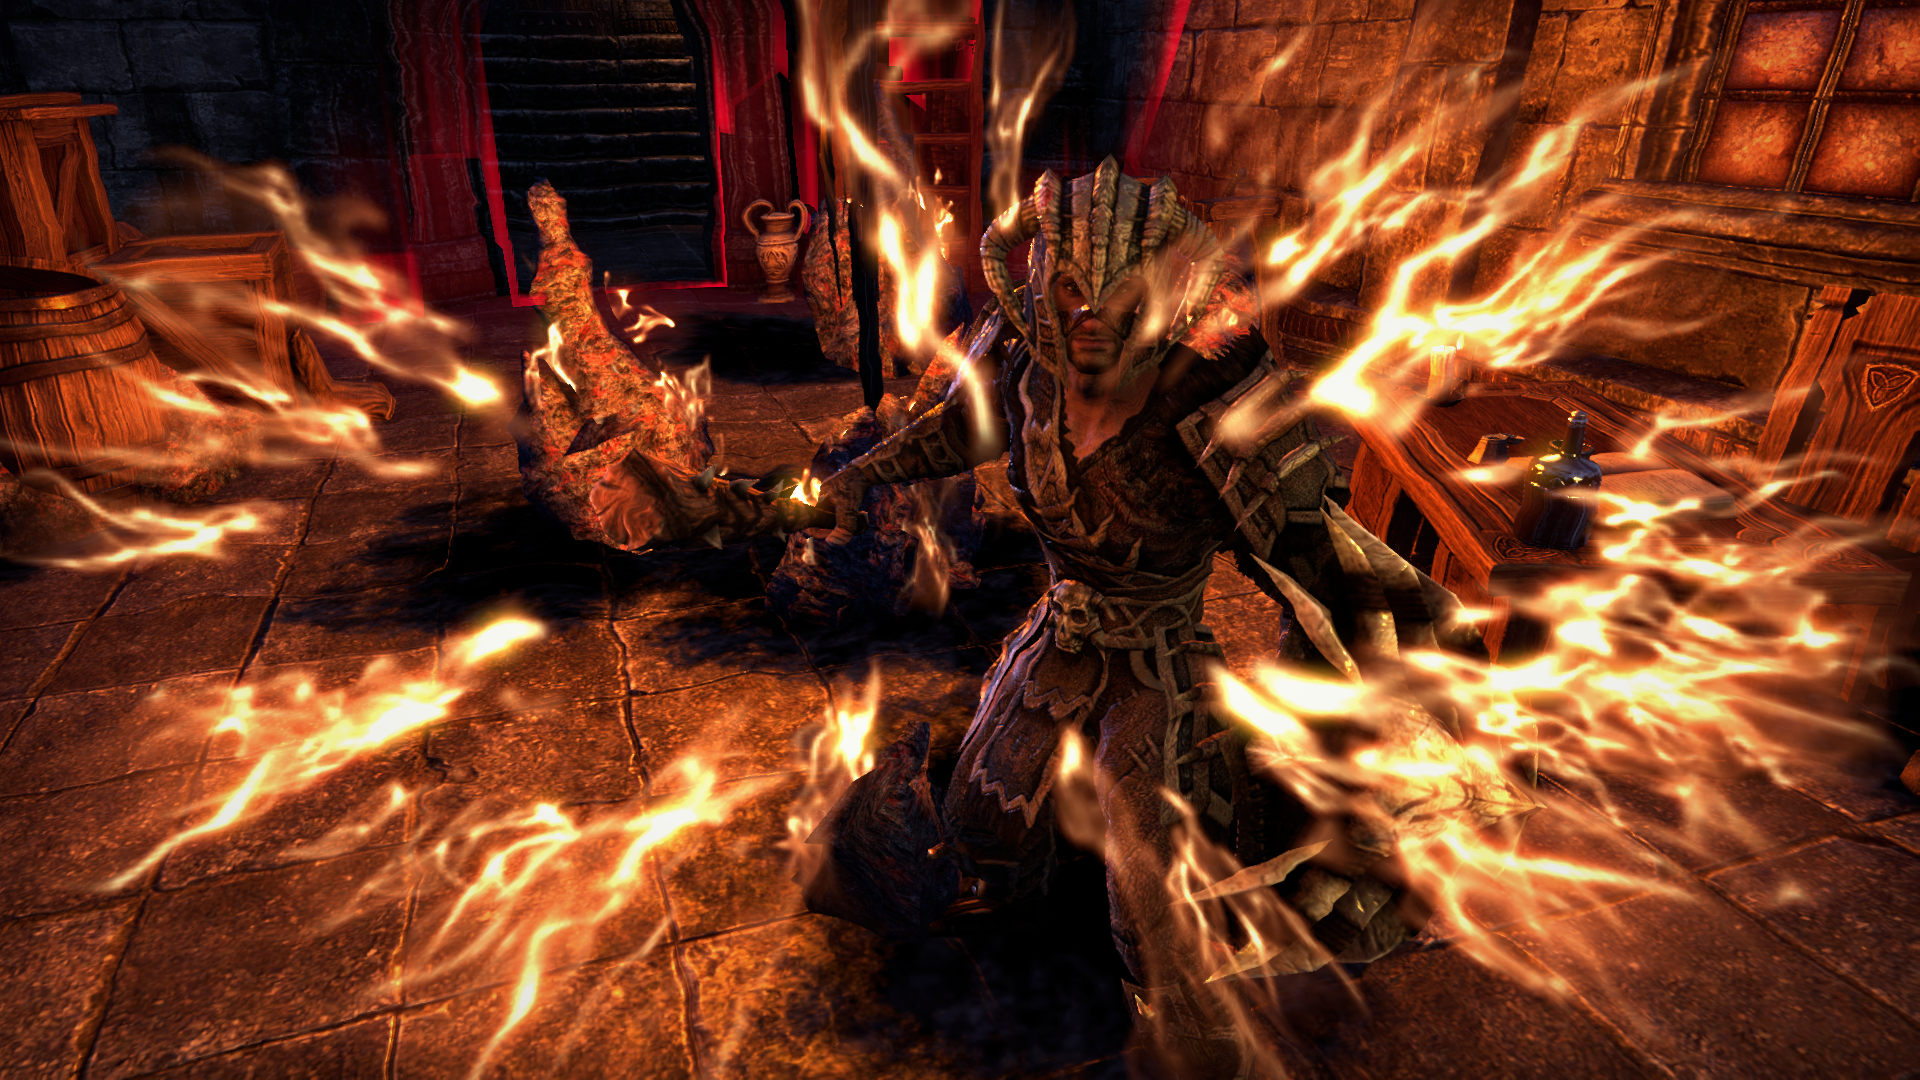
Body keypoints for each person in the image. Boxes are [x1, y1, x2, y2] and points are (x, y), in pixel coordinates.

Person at [802, 158, 1515, 1076]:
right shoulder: (1023, 364)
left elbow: (1317, 563)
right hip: (1059, 633)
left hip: (1159, 659)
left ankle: (1193, 1034)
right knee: (981, 829)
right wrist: (865, 474)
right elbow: (958, 430)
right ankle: (1026, 922)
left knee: (1147, 881)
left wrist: (1373, 711)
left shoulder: (1221, 407)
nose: (1089, 319)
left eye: (1120, 298)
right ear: (1039, 285)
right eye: (1070, 292)